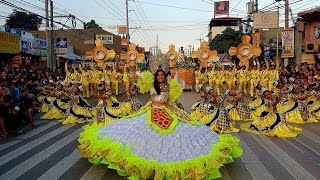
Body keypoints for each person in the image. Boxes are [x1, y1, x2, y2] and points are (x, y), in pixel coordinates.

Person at [78, 69, 243, 180]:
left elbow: (170, 98)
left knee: (186, 129)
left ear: (164, 76)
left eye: (162, 75)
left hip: (169, 109)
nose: (160, 77)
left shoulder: (169, 86)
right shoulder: (152, 86)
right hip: (153, 110)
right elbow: (153, 98)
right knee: (142, 131)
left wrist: (177, 105)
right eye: (158, 76)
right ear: (155, 77)